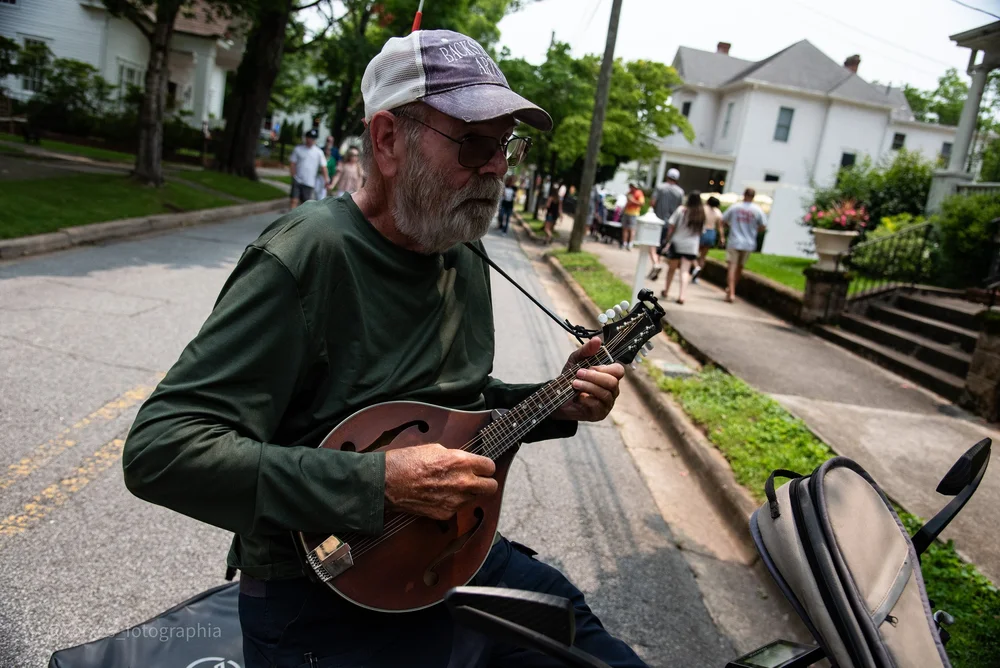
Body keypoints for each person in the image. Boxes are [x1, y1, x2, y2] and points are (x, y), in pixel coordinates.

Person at [121, 29, 643, 668]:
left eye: (506, 144)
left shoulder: (461, 247)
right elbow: (161, 450)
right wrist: (378, 481)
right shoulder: (308, 255)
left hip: (445, 552)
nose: (499, 166)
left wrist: (557, 402)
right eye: (475, 141)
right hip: (319, 584)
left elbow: (455, 412)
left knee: (592, 651)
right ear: (388, 139)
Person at [659, 191, 707, 305]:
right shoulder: (701, 214)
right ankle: (682, 295)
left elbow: (671, 225)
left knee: (672, 268)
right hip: (691, 246)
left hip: (677, 243)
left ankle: (666, 290)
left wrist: (667, 239)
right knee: (685, 271)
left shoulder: (681, 210)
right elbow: (702, 232)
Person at [722, 188, 768, 303]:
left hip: (734, 240)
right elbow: (763, 226)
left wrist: (730, 226)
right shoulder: (757, 210)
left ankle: (731, 292)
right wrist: (754, 230)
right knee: (739, 268)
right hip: (748, 242)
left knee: (732, 268)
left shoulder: (735, 207)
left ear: (744, 195)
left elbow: (723, 220)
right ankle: (732, 290)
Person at [648, 168, 684, 280]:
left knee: (652, 244)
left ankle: (655, 263)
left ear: (667, 176)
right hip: (670, 225)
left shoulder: (660, 187)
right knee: (661, 246)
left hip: (657, 222)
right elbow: (680, 209)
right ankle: (656, 266)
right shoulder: (680, 192)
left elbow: (653, 202)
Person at [288, 128, 329, 209]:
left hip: (309, 182)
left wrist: (326, 179)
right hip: (298, 179)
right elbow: (292, 163)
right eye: (310, 138)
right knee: (294, 200)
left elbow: (323, 167)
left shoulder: (319, 152)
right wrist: (293, 175)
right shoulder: (298, 149)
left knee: (305, 204)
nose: (311, 140)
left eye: (313, 138)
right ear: (306, 138)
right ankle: (291, 219)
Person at [692, 195, 725, 284]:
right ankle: (697, 277)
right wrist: (722, 237)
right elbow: (720, 226)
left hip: (701, 232)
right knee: (703, 257)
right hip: (711, 233)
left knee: (693, 254)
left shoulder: (702, 209)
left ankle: (696, 267)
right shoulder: (717, 212)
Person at [620, 183, 644, 250]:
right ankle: (624, 243)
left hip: (634, 213)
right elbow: (627, 202)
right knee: (625, 228)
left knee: (632, 229)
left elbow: (641, 203)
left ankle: (630, 244)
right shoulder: (629, 193)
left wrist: (633, 201)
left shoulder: (639, 193)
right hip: (627, 212)